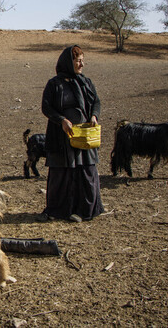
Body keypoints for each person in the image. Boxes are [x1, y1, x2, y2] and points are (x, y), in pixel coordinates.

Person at [36, 45, 104, 222]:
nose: (82, 64)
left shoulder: (86, 82)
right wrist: (61, 120)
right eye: (78, 61)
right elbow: (46, 107)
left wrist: (94, 116)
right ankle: (58, 211)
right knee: (61, 174)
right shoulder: (54, 84)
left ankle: (84, 211)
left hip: (84, 135)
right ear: (68, 62)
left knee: (86, 171)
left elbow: (96, 102)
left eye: (82, 60)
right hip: (62, 137)